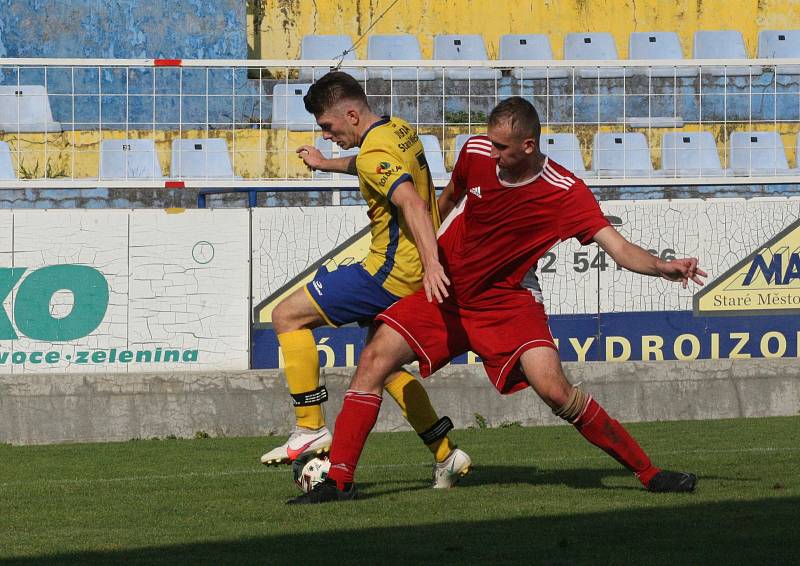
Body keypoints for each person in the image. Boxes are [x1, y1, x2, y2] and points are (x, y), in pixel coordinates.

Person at [288, 96, 707, 504]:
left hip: (507, 303)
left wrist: (661, 266)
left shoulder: (565, 192)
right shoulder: (476, 153)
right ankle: (340, 481)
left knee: (555, 390)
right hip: (448, 292)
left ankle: (649, 473)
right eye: (489, 142)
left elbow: (618, 248)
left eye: (501, 147)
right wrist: (429, 258)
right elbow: (447, 200)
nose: (492, 152)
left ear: (528, 146)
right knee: (374, 359)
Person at [261, 71, 471, 489]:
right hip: (410, 274)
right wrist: (326, 164)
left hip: (387, 273)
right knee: (382, 367)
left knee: (287, 316)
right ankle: (447, 454)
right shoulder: (399, 130)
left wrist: (432, 263)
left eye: (327, 127)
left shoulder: (375, 153)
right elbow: (369, 164)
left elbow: (408, 199)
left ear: (351, 114)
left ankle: (310, 425)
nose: (326, 135)